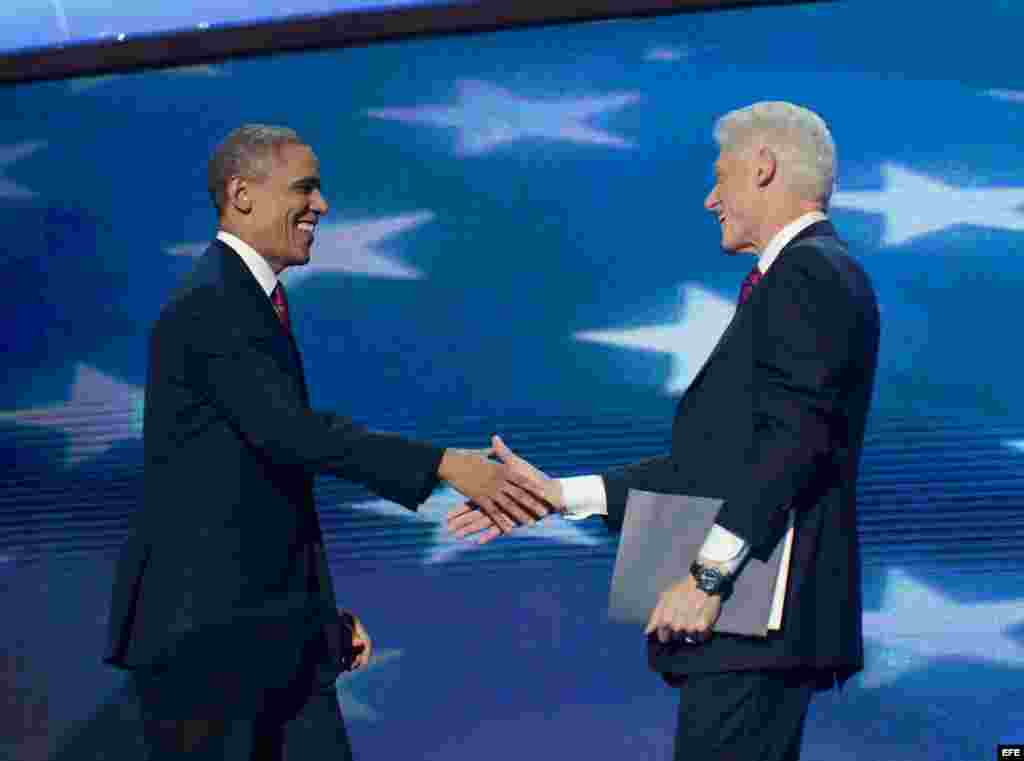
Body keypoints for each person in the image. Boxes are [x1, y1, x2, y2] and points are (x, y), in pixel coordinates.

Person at [449, 101, 880, 761]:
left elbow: (793, 446)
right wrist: (559, 495)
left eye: (721, 177)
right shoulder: (802, 275)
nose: (711, 199)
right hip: (748, 625)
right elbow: (709, 467)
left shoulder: (810, 272)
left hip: (754, 617)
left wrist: (708, 579)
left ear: (763, 167)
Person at [103, 125, 548, 760]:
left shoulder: (246, 300)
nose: (323, 206)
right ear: (243, 194)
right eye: (305, 188)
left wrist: (320, 618)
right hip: (209, 643)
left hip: (269, 633)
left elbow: (257, 489)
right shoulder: (211, 303)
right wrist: (445, 463)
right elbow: (293, 436)